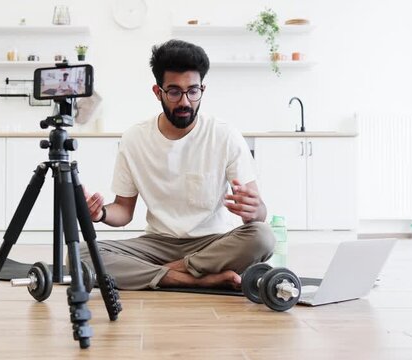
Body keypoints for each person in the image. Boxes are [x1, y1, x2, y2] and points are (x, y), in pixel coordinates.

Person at [80, 39, 275, 290]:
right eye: (174, 92)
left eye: (193, 91)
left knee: (263, 236)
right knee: (82, 255)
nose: (184, 101)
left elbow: (258, 215)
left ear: (202, 89)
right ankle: (197, 278)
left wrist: (255, 209)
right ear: (157, 91)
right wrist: (101, 214)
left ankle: (164, 273)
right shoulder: (134, 138)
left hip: (212, 244)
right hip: (157, 244)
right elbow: (123, 211)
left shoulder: (225, 135)